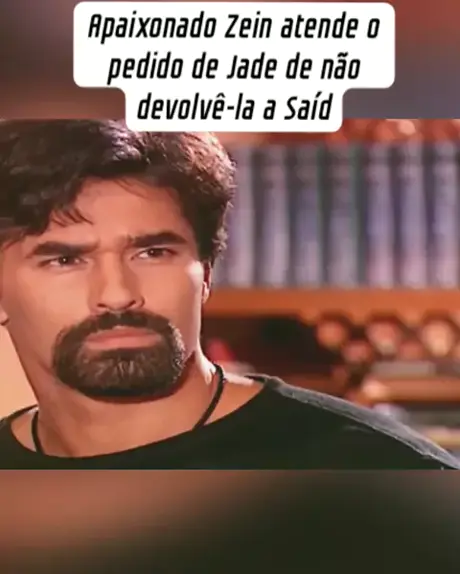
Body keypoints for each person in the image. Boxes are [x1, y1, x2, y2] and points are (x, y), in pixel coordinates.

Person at [0, 120, 457, 470]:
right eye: (65, 260)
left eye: (153, 253)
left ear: (205, 274)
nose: (118, 295)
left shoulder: (377, 470)